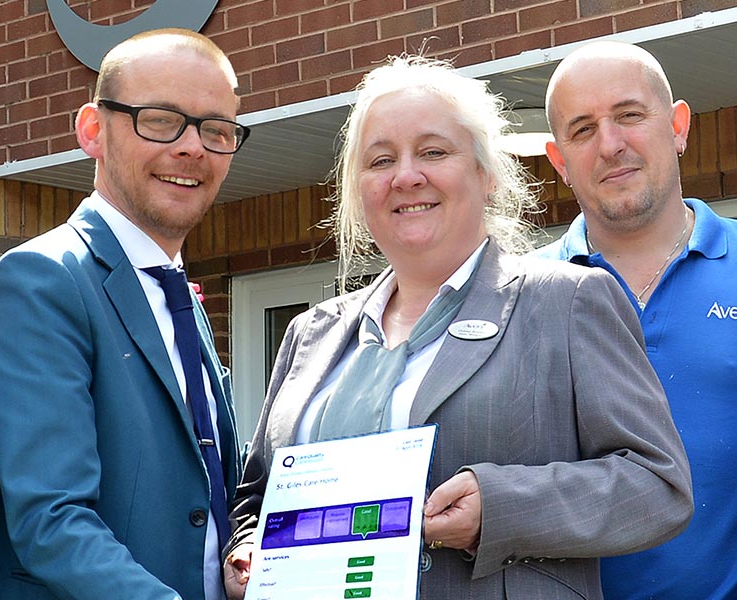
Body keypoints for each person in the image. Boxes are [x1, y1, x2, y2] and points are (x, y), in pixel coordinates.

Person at [222, 56, 693, 600]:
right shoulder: (311, 334)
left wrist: (501, 505)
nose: (405, 176)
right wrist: (249, 549)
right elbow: (255, 498)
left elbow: (658, 487)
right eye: (380, 160)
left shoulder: (566, 303)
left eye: (433, 152)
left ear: (486, 173)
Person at [531, 41, 737, 600]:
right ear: (560, 162)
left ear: (678, 127)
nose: (611, 144)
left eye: (630, 115)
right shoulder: (521, 294)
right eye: (583, 130)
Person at [0, 29, 248, 600]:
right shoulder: (42, 281)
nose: (193, 148)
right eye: (161, 119)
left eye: (216, 130)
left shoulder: (179, 297)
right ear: (93, 130)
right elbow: (51, 522)